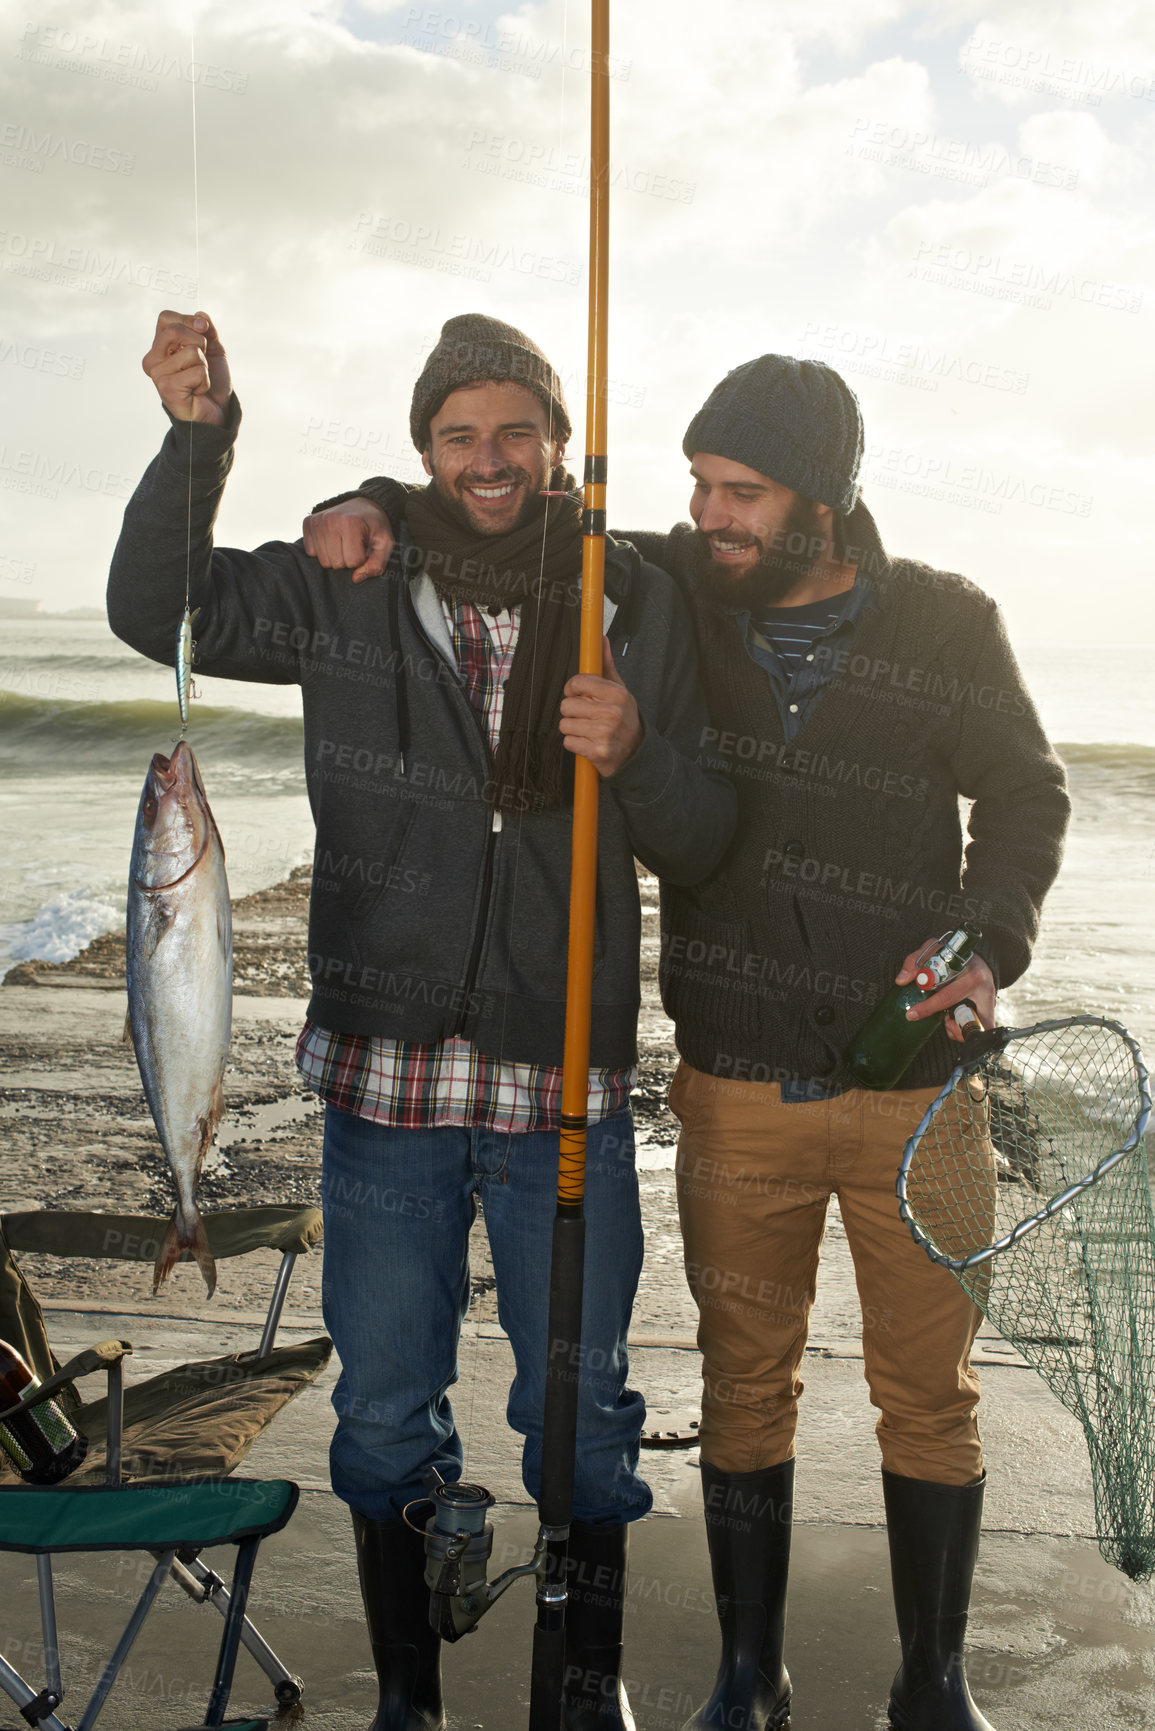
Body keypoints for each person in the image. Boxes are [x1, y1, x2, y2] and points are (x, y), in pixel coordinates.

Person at [302, 353, 1070, 1731]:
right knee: (744, 1386)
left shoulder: (950, 622)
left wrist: (987, 945)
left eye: (742, 491)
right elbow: (498, 501)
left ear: (820, 502)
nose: (708, 512)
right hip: (733, 1084)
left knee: (928, 1392)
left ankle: (934, 1682)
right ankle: (745, 1675)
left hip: (920, 1090)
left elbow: (1026, 794)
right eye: (702, 484)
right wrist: (362, 495)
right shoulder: (674, 596)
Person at [107, 309, 736, 1731]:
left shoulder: (632, 597)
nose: (491, 459)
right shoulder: (352, 578)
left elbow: (701, 842)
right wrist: (199, 438)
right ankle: (411, 1700)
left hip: (560, 1081)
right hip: (383, 1081)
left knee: (581, 1424)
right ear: (423, 450)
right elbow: (163, 613)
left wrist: (636, 753)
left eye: (518, 430)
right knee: (386, 1415)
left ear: (561, 443)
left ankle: (581, 1687)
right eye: (458, 435)